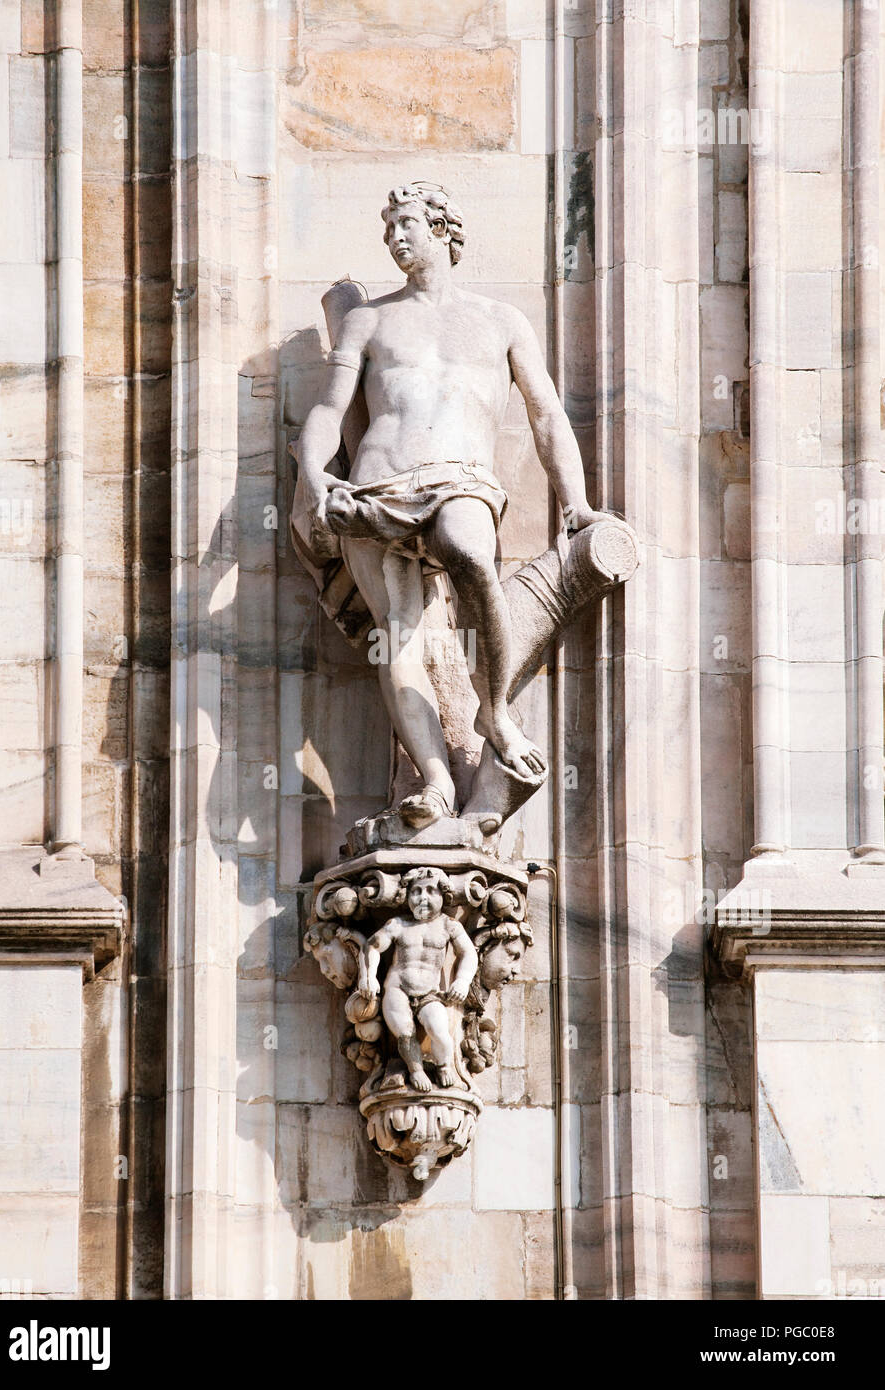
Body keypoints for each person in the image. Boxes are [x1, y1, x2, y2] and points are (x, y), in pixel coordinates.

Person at [297, 181, 606, 828]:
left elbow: (547, 414)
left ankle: (493, 709)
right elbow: (330, 409)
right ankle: (436, 781)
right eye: (388, 230)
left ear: (442, 228)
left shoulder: (498, 321)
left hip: (459, 478)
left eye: (406, 222)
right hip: (378, 485)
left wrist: (576, 503)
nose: (395, 237)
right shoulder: (368, 318)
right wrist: (315, 475)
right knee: (399, 634)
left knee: (471, 554)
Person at [358, 867, 478, 1092]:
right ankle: (416, 1070)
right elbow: (372, 946)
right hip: (398, 989)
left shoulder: (449, 925)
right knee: (405, 1033)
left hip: (430, 993)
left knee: (441, 1033)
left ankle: (444, 1065)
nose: (423, 897)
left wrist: (462, 981)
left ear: (443, 896)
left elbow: (469, 953)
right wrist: (368, 977)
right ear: (406, 896)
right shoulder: (398, 925)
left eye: (431, 891)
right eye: (416, 891)